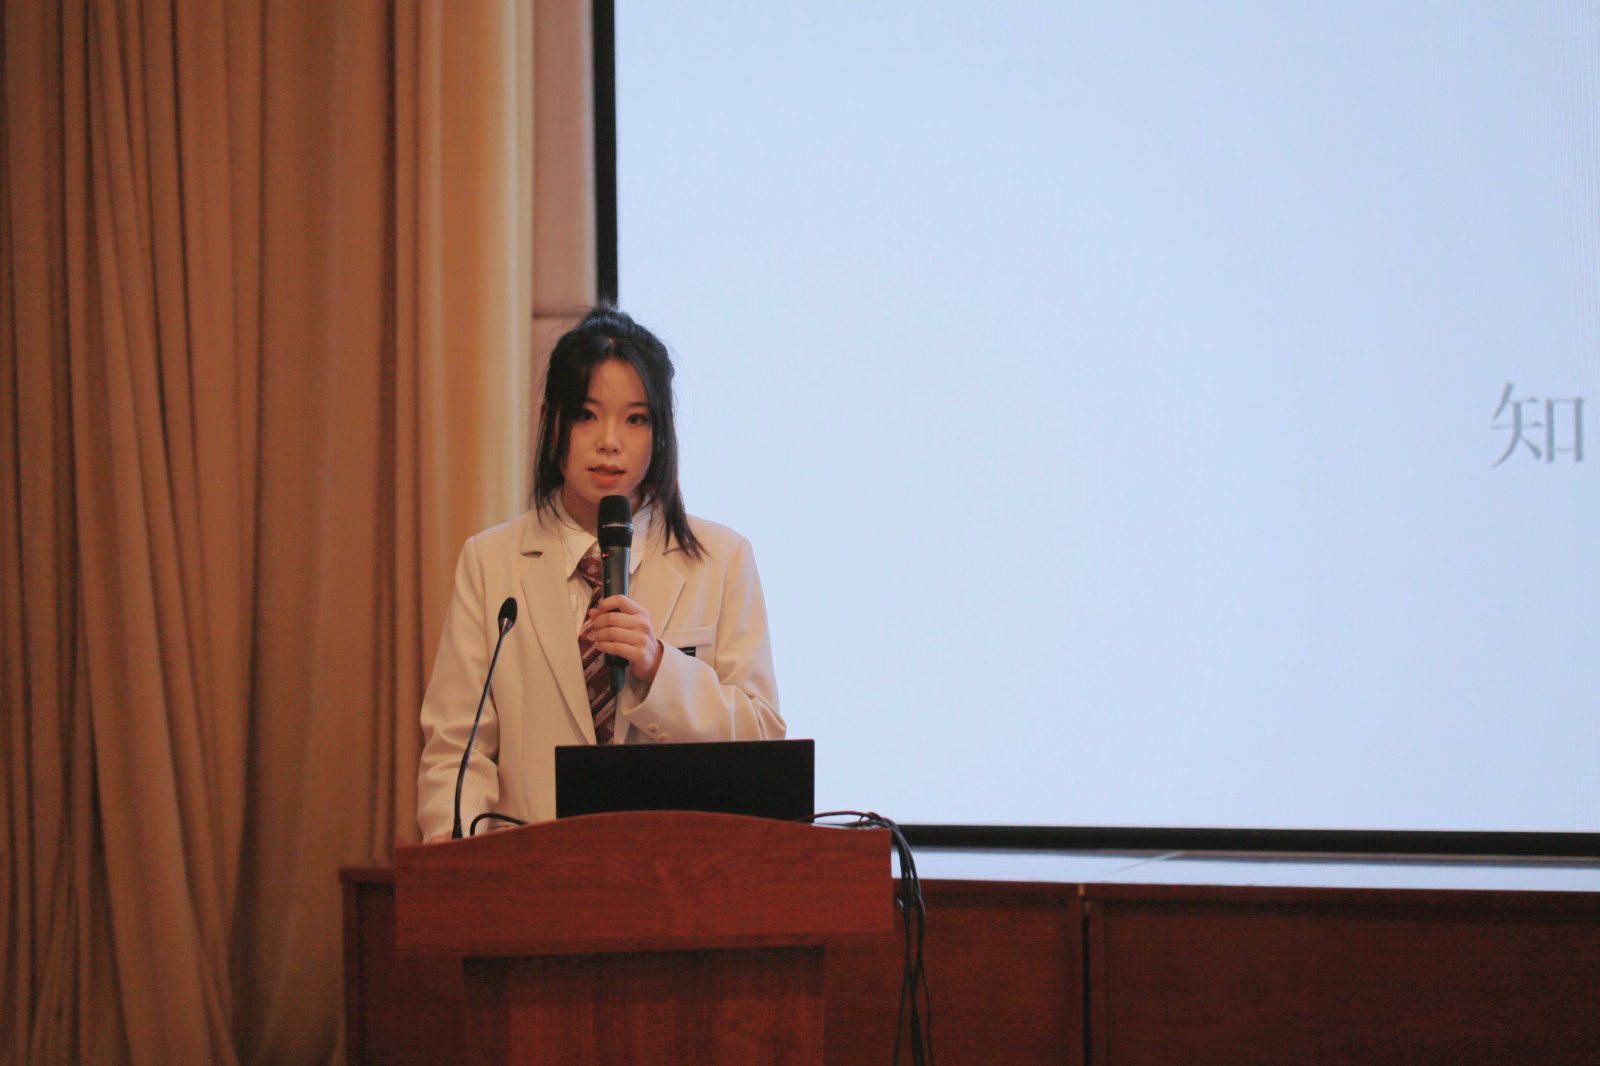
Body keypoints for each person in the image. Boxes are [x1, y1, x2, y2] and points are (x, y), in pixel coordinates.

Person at [416, 306, 784, 840]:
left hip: (676, 870)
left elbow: (762, 737)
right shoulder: (490, 561)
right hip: (532, 874)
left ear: (660, 434)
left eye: (636, 419)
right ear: (552, 422)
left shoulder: (723, 559)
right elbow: (457, 750)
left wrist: (659, 667)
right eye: (587, 415)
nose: (609, 441)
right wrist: (459, 865)